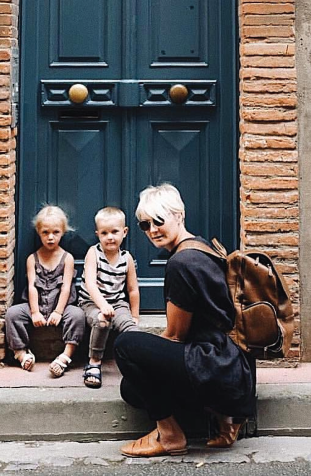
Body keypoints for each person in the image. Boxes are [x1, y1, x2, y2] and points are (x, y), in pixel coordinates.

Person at [114, 184, 255, 457]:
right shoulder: (202, 247)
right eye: (145, 225)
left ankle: (169, 435)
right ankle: (223, 417)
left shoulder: (181, 263)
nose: (152, 230)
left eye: (159, 221)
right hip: (234, 368)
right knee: (131, 389)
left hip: (217, 367)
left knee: (126, 346)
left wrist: (145, 358)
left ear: (179, 215)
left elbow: (176, 335)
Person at [5, 205, 85, 376]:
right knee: (13, 314)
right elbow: (32, 286)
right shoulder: (32, 259)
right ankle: (20, 353)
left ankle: (65, 355)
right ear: (38, 232)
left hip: (61, 307)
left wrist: (58, 311)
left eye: (55, 232)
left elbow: (65, 287)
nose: (50, 237)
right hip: (37, 306)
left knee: (78, 315)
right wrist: (34, 312)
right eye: (45, 233)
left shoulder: (67, 258)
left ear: (63, 232)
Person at [79, 207, 140, 388]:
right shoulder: (94, 253)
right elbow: (90, 284)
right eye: (104, 233)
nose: (110, 237)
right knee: (102, 321)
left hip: (118, 303)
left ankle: (137, 363)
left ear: (124, 232)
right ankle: (94, 362)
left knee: (131, 329)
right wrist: (103, 305)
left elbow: (133, 289)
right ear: (98, 234)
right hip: (91, 302)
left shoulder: (126, 258)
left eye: (114, 232)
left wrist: (135, 315)